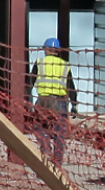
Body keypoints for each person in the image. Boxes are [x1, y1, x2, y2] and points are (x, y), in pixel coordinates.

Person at [28, 37, 77, 165]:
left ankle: (45, 147)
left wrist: (26, 100)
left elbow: (29, 83)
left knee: (38, 126)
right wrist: (74, 105)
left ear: (45, 49)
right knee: (59, 132)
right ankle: (58, 162)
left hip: (43, 101)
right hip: (60, 102)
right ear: (58, 51)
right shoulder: (65, 65)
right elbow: (71, 86)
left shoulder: (40, 63)